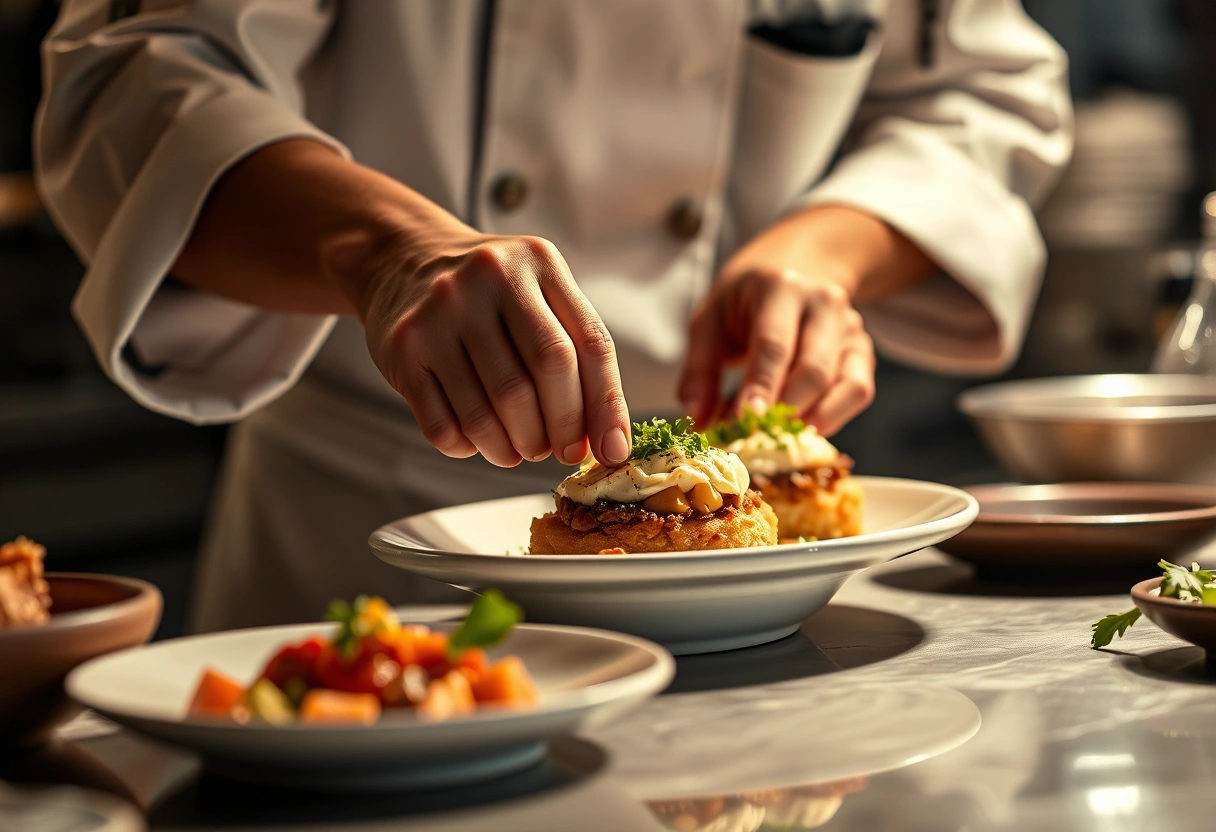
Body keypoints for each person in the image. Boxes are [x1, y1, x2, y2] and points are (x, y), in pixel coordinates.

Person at [35, 0, 1072, 632]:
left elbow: (985, 97)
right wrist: (387, 251)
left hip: (761, 585)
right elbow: (134, 74)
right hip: (366, 522)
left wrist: (822, 249)